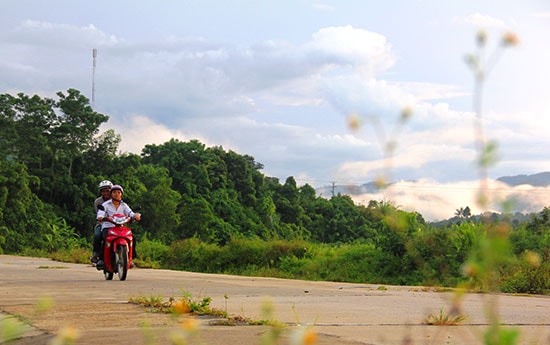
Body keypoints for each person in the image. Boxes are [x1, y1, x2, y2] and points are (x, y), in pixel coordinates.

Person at [96, 184, 141, 268]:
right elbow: (101, 212)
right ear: (111, 194)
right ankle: (101, 259)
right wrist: (101, 217)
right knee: (105, 239)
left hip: (121, 227)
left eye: (119, 192)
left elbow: (130, 213)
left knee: (132, 237)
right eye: (114, 192)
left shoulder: (124, 205)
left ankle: (130, 258)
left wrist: (135, 216)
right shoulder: (106, 204)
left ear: (121, 194)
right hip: (108, 227)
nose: (116, 194)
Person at [90, 180, 112, 263]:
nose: (106, 193)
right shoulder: (98, 202)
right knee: (97, 235)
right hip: (102, 224)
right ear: (101, 192)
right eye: (103, 191)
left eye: (108, 191)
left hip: (116, 224)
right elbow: (99, 214)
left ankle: (128, 257)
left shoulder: (117, 200)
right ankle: (96, 254)